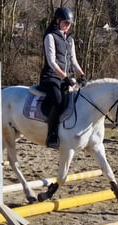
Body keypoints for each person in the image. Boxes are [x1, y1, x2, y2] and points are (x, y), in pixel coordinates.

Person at [39, 7, 86, 149]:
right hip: (50, 77)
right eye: (65, 23)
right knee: (58, 100)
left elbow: (74, 61)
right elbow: (52, 62)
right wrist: (65, 77)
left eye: (69, 24)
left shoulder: (69, 39)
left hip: (64, 77)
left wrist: (81, 74)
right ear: (57, 21)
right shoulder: (50, 37)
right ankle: (52, 135)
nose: (67, 26)